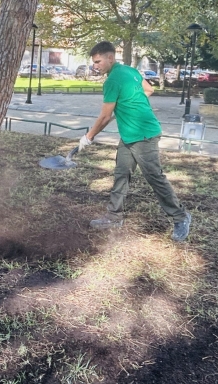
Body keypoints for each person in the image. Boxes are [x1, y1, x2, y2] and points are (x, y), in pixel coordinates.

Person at [78, 41, 191, 241]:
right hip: (131, 135)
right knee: (122, 173)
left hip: (143, 135)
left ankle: (181, 217)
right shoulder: (130, 71)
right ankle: (114, 217)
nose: (96, 66)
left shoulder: (112, 81)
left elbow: (104, 117)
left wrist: (88, 137)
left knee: (155, 177)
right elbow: (149, 90)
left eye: (98, 61)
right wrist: (127, 106)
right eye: (94, 62)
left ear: (110, 58)